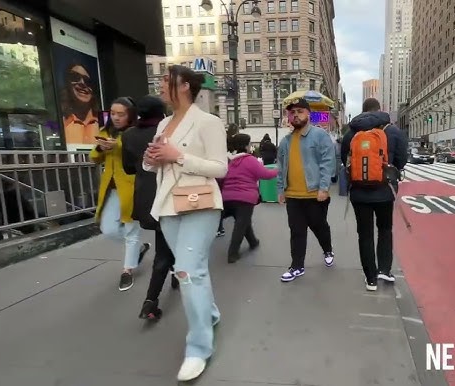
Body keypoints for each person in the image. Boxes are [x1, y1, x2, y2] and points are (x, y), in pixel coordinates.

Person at [143, 65, 227, 382]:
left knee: (188, 271)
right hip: (167, 205)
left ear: (184, 86)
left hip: (200, 203)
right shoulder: (164, 122)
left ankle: (198, 348)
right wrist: (152, 159)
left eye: (166, 80)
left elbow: (220, 168)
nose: (161, 84)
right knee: (193, 268)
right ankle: (211, 313)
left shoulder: (208, 122)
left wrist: (177, 156)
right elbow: (152, 164)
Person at [122, 94, 179, 320]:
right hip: (169, 196)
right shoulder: (166, 133)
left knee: (165, 243)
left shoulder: (129, 135)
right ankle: (150, 301)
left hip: (145, 197)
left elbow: (128, 168)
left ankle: (170, 279)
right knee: (164, 252)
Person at [340, 98, 407, 291]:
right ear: (379, 111)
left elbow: (345, 160)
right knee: (385, 230)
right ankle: (384, 270)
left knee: (365, 234)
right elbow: (402, 160)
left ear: (362, 112)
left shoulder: (351, 133)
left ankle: (370, 278)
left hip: (359, 194)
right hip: (385, 191)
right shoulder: (392, 131)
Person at [90, 97, 150, 291]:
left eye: (121, 114)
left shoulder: (136, 133)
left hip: (133, 187)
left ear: (130, 115)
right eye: (113, 113)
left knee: (131, 230)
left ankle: (127, 270)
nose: (116, 117)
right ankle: (138, 249)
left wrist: (118, 146)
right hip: (111, 188)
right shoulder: (105, 132)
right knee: (108, 229)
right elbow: (94, 158)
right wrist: (100, 147)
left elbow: (141, 155)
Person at [276, 98, 336, 282]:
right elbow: (281, 167)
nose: (295, 115)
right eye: (292, 112)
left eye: (300, 111)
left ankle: (327, 249)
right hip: (293, 195)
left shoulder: (320, 135)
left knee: (319, 227)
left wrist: (324, 188)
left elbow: (328, 162)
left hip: (314, 194)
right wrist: (280, 190)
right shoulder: (285, 141)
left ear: (308, 114)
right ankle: (297, 266)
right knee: (297, 231)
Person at [221, 133, 278, 263]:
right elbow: (265, 174)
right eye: (250, 144)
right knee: (240, 224)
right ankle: (232, 253)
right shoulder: (249, 160)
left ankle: (253, 241)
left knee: (243, 220)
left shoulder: (229, 161)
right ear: (246, 146)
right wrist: (278, 171)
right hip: (245, 198)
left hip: (226, 197)